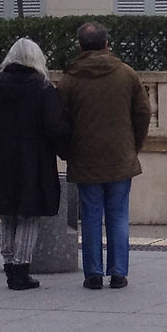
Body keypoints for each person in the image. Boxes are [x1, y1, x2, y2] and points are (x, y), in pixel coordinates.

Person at [0, 38, 69, 290]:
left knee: (6, 215)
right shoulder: (42, 87)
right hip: (32, 162)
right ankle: (20, 269)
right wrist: (66, 150)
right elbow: (54, 127)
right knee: (28, 215)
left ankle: (8, 263)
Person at [58, 22, 150, 290]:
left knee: (90, 216)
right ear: (107, 44)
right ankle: (119, 272)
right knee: (118, 215)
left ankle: (93, 274)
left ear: (80, 46)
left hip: (84, 157)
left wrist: (67, 151)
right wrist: (133, 145)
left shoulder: (70, 79)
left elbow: (60, 121)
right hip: (120, 155)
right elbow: (143, 113)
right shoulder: (126, 74)